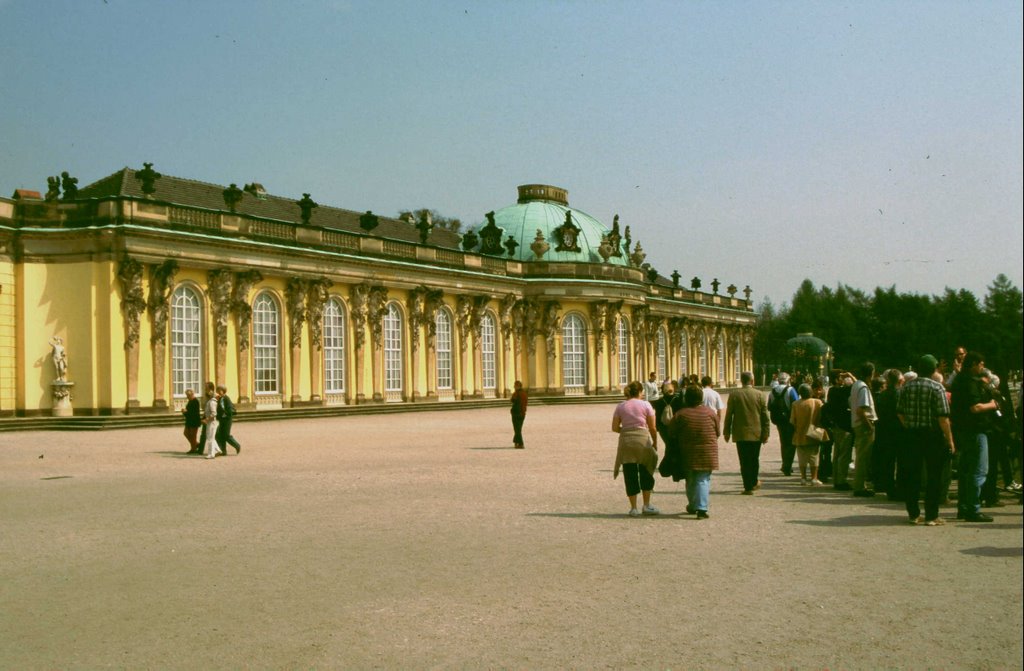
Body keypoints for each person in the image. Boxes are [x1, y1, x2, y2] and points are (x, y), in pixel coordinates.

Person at [896, 354, 955, 526]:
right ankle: (931, 515)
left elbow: (899, 412)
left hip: (912, 434)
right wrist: (950, 439)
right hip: (932, 435)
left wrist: (908, 424)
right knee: (934, 475)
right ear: (933, 369)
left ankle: (913, 514)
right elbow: (943, 417)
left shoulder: (906, 387)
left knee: (912, 474)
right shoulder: (937, 388)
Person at [950, 352, 997, 522]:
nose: (982, 367)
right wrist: (992, 404)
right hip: (976, 429)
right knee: (979, 470)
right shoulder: (970, 383)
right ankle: (973, 508)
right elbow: (975, 407)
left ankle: (963, 507)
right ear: (973, 365)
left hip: (961, 430)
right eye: (981, 364)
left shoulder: (958, 381)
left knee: (965, 471)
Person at [668, 384, 720, 519]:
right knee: (703, 479)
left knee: (690, 479)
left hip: (687, 451)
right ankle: (701, 508)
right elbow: (717, 432)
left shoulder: (681, 414)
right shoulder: (710, 413)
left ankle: (694, 505)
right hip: (708, 451)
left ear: (686, 399)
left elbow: (671, 432)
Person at [612, 381, 660, 517]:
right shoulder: (646, 405)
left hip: (626, 441)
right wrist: (655, 442)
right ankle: (646, 505)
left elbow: (615, 427)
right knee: (645, 470)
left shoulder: (621, 406)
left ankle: (633, 508)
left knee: (629, 473)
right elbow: (652, 427)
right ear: (639, 391)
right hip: (642, 440)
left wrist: (626, 430)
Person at [723, 371, 770, 494]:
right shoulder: (760, 395)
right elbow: (765, 416)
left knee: (744, 460)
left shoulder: (734, 395)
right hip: (756, 433)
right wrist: (766, 433)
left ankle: (747, 486)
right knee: (754, 459)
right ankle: (753, 482)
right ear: (752, 381)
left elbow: (729, 415)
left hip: (740, 433)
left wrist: (726, 432)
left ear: (742, 381)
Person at [874, 368, 905, 500]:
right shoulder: (899, 394)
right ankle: (899, 488)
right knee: (901, 461)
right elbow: (901, 413)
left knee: (888, 461)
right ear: (900, 380)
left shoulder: (882, 395)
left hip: (884, 429)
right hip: (898, 430)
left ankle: (889, 488)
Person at [849, 363, 878, 497]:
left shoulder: (856, 385)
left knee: (860, 455)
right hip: (864, 424)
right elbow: (861, 410)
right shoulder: (864, 388)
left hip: (856, 423)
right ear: (871, 373)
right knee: (863, 457)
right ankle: (860, 486)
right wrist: (870, 426)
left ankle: (859, 484)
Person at [824, 371, 854, 490]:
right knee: (844, 455)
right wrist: (850, 375)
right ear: (836, 380)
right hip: (844, 425)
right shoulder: (841, 391)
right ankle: (841, 480)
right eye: (841, 377)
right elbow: (859, 385)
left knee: (837, 454)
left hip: (836, 424)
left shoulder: (832, 391)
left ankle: (837, 479)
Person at [790, 383, 824, 485]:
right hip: (814, 433)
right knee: (814, 457)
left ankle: (803, 478)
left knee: (802, 457)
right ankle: (814, 478)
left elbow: (792, 421)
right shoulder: (817, 402)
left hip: (800, 433)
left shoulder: (795, 404)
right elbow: (822, 417)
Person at [768, 372, 798, 476]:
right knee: (791, 443)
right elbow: (796, 404)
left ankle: (784, 464)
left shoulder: (772, 391)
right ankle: (787, 466)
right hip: (789, 419)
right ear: (788, 380)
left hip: (778, 420)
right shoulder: (791, 390)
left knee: (783, 442)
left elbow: (769, 406)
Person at [652, 381, 682, 446]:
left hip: (663, 427)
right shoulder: (678, 400)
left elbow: (657, 415)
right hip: (675, 426)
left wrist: (657, 427)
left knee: (668, 444)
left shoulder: (659, 402)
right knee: (674, 445)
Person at [215, 385, 242, 455]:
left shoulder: (226, 398)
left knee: (226, 435)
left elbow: (229, 410)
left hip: (227, 419)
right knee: (220, 435)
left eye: (219, 390)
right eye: (217, 390)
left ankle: (237, 445)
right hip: (222, 419)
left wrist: (225, 414)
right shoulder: (220, 399)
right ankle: (223, 450)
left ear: (223, 391)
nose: (217, 391)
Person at [194, 381, 216, 455]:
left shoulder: (213, 395)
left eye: (206, 387)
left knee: (212, 436)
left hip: (211, 418)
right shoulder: (207, 395)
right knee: (203, 434)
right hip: (206, 416)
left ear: (210, 388)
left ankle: (216, 450)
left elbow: (214, 408)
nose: (205, 388)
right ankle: (200, 450)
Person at [202, 388, 222, 459]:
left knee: (210, 438)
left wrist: (206, 419)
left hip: (212, 422)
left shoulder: (212, 402)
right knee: (210, 437)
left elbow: (214, 413)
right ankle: (217, 450)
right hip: (211, 421)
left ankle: (211, 454)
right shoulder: (211, 401)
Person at [181, 389, 202, 454]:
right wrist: (185, 411)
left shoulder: (195, 401)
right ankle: (196, 444)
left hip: (194, 421)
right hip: (189, 420)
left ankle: (193, 448)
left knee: (193, 435)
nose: (187, 397)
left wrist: (185, 412)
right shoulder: (190, 401)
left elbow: (193, 413)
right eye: (187, 395)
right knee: (186, 433)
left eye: (188, 395)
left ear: (191, 394)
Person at [510, 380, 528, 449]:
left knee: (517, 429)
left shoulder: (517, 393)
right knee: (518, 429)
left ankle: (521, 443)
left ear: (518, 386)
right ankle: (516, 442)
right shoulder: (524, 393)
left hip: (516, 413)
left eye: (515, 385)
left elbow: (512, 400)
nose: (514, 386)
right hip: (522, 413)